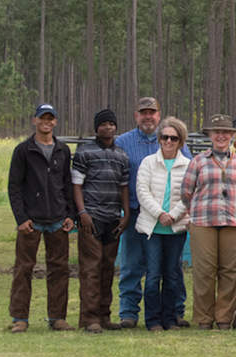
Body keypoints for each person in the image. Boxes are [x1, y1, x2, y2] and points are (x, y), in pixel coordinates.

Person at [116, 97, 192, 329]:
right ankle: (129, 313)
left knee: (172, 270)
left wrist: (174, 214)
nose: (148, 116)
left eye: (152, 112)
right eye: (143, 112)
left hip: (173, 220)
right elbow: (136, 186)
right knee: (133, 266)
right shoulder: (123, 142)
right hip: (136, 213)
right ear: (136, 115)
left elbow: (189, 185)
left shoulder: (183, 151)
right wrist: (156, 213)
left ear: (159, 115)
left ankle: (174, 313)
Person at [181, 114, 236, 330]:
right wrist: (194, 213)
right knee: (204, 271)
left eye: (226, 133)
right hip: (203, 222)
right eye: (218, 133)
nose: (222, 136)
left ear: (232, 136)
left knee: (230, 271)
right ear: (211, 136)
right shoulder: (199, 161)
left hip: (233, 222)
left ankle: (224, 317)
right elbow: (186, 192)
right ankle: (204, 318)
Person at [7, 104, 77, 333]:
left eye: (50, 118)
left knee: (59, 269)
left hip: (58, 218)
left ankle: (57, 317)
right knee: (23, 269)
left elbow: (67, 184)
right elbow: (14, 187)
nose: (46, 122)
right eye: (42, 118)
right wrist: (21, 218)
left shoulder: (63, 150)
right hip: (31, 221)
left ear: (55, 122)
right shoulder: (23, 150)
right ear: (34, 120)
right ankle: (20, 318)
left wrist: (70, 215)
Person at [72, 109, 130, 333]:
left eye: (111, 124)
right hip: (91, 218)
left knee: (107, 268)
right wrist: (82, 212)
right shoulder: (85, 152)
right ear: (96, 128)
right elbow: (76, 185)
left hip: (113, 219)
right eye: (103, 124)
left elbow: (124, 187)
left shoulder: (121, 155)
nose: (108, 127)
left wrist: (126, 214)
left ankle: (104, 316)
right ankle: (90, 318)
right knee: (91, 269)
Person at [133, 117, 191, 332]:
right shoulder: (148, 162)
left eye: (173, 138)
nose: (168, 141)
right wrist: (159, 214)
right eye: (164, 137)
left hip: (176, 228)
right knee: (153, 275)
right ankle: (153, 320)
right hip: (152, 228)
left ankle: (170, 318)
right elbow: (142, 191)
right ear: (159, 139)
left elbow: (189, 194)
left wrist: (173, 215)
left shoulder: (187, 165)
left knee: (172, 275)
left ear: (180, 141)